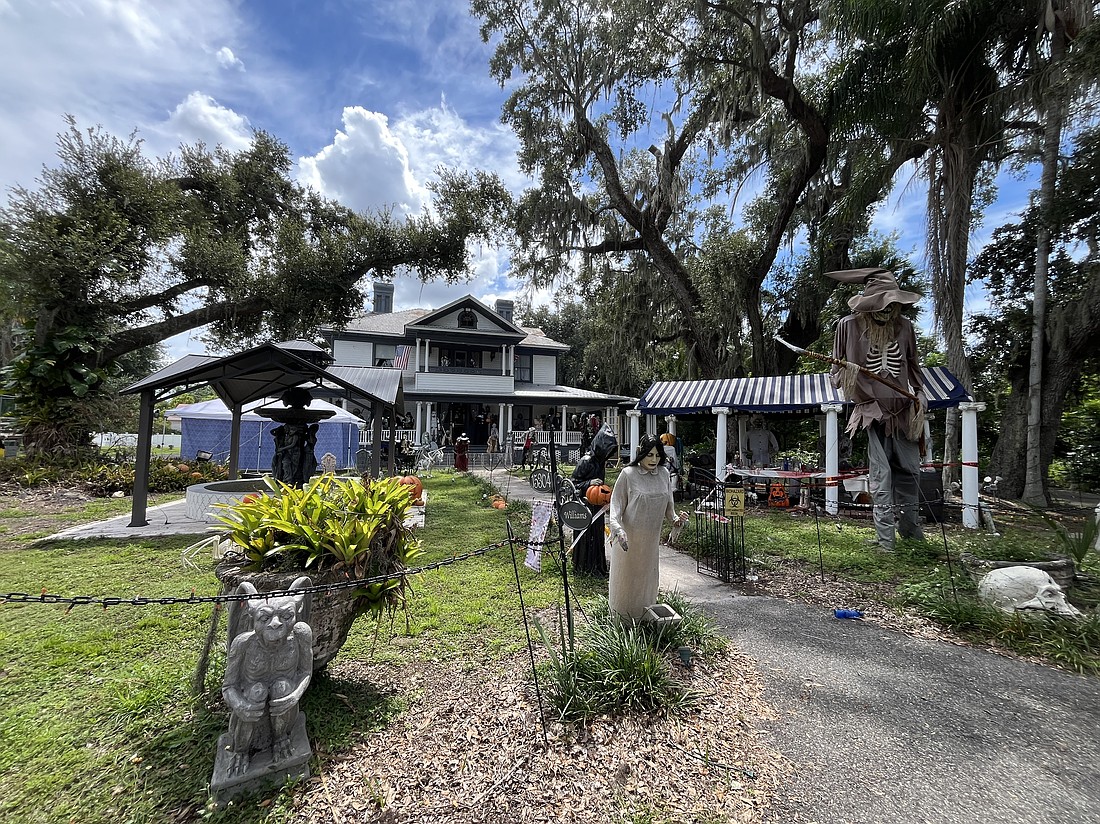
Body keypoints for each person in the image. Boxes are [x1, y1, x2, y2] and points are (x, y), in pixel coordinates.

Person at [827, 267, 926, 551]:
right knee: (881, 475)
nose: (887, 310)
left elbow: (914, 367)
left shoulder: (905, 327)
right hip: (873, 412)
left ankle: (911, 532)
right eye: (881, 303)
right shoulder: (848, 326)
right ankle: (886, 541)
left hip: (905, 411)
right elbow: (836, 369)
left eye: (892, 304)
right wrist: (848, 372)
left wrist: (919, 394)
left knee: (910, 472)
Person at [608, 434, 689, 620]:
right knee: (627, 581)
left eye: (657, 455)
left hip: (651, 543)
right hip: (628, 541)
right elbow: (616, 506)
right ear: (641, 453)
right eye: (649, 455)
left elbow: (670, 510)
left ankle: (645, 619)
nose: (654, 460)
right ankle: (623, 621)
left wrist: (677, 520)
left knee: (647, 582)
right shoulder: (628, 474)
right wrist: (617, 529)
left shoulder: (664, 474)